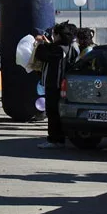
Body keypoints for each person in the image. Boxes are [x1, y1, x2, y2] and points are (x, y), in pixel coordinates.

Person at [34, 21, 79, 149]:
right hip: (64, 84)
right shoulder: (70, 47)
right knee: (59, 112)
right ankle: (60, 138)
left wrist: (41, 43)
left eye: (54, 34)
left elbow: (41, 54)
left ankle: (54, 139)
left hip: (54, 84)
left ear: (58, 35)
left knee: (53, 112)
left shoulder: (58, 49)